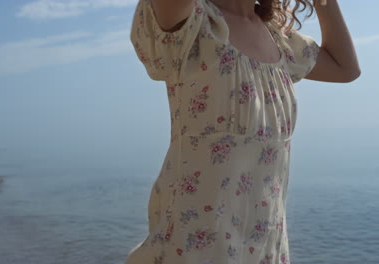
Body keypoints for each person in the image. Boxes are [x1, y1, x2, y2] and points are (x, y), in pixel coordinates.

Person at [125, 0, 360, 263]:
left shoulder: (278, 38)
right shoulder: (198, 21)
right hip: (194, 246)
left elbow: (346, 68)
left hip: (264, 245)